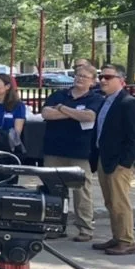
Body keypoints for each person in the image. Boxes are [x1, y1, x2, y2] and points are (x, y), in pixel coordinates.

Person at [40, 63, 104, 242]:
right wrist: (75, 113)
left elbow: (90, 116)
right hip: (54, 150)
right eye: (78, 75)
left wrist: (61, 109)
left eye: (85, 76)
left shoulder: (95, 98)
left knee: (82, 192)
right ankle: (56, 226)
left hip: (80, 152)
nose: (80, 78)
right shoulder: (59, 95)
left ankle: (85, 229)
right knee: (54, 190)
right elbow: (46, 113)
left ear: (92, 81)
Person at [89, 63, 135, 255]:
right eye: (101, 77)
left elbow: (134, 137)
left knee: (119, 202)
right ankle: (117, 237)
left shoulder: (128, 102)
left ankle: (127, 240)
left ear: (121, 81)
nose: (102, 80)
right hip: (104, 157)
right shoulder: (105, 101)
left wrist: (125, 162)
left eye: (108, 77)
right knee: (110, 201)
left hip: (119, 162)